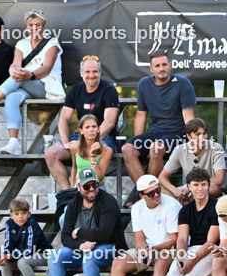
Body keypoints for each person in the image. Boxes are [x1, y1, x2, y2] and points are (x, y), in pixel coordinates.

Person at [0, 9, 63, 155]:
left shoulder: (52, 43)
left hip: (45, 86)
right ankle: (13, 143)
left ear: (43, 26)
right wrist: (14, 71)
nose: (34, 28)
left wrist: (28, 74)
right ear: (27, 27)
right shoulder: (21, 44)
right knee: (11, 97)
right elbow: (15, 64)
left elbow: (46, 69)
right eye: (31, 25)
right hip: (24, 83)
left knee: (20, 78)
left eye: (38, 25)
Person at [138, 170, 220, 276]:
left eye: (203, 185)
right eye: (195, 185)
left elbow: (211, 241)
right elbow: (182, 238)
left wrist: (192, 261)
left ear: (208, 186)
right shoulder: (185, 210)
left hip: (213, 250)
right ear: (189, 186)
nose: (199, 189)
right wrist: (181, 256)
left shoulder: (216, 206)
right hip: (193, 249)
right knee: (174, 272)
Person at [108, 175, 179, 276]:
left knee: (160, 263)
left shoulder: (172, 205)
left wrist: (152, 249)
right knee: (118, 263)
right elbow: (139, 237)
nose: (156, 194)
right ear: (141, 195)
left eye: (158, 190)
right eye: (151, 193)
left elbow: (175, 240)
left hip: (172, 249)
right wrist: (143, 251)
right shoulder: (137, 208)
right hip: (151, 248)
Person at [49, 167, 126, 276]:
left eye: (94, 184)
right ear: (78, 187)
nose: (91, 189)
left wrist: (79, 232)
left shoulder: (108, 202)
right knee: (55, 257)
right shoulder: (73, 204)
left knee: (91, 258)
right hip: (82, 249)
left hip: (110, 248)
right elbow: (65, 237)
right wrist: (80, 245)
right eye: (86, 186)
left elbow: (104, 233)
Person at [45, 56, 121, 190]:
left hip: (105, 137)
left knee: (91, 154)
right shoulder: (75, 90)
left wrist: (88, 142)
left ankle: (94, 191)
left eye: (95, 71)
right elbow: (63, 118)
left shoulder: (109, 90)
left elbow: (109, 122)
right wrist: (65, 142)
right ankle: (68, 192)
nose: (91, 75)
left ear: (100, 72)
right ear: (81, 73)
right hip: (82, 135)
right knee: (51, 154)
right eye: (87, 72)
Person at [122, 51, 196, 187]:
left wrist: (194, 142)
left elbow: (189, 116)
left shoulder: (182, 83)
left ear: (170, 66)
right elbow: (140, 116)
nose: (161, 68)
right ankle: (146, 192)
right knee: (127, 149)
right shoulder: (144, 84)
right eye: (157, 66)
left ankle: (148, 193)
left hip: (178, 135)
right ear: (151, 69)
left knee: (156, 148)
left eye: (164, 65)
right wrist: (139, 145)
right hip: (155, 134)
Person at [0, 198, 51, 276]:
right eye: (17, 214)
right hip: (25, 255)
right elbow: (8, 244)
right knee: (4, 263)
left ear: (29, 214)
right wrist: (5, 254)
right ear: (11, 215)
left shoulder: (32, 224)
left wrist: (12, 255)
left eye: (23, 213)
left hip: (43, 254)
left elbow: (29, 249)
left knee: (22, 262)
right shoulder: (9, 224)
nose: (20, 217)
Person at [158, 118, 226, 202]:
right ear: (188, 136)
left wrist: (191, 187)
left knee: (213, 188)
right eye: (198, 134)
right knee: (158, 189)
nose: (202, 138)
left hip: (205, 187)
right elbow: (161, 177)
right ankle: (184, 203)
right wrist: (175, 191)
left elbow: (219, 179)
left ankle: (186, 203)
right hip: (188, 188)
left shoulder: (216, 148)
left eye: (204, 134)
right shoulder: (180, 149)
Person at [65, 114, 114, 187]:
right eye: (87, 127)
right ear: (81, 131)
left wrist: (93, 156)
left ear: (98, 129)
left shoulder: (107, 150)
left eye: (94, 126)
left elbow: (98, 178)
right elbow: (74, 168)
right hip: (80, 188)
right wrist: (72, 190)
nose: (91, 130)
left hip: (97, 188)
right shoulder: (74, 147)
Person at [208, 199, 227, 276]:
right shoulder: (222, 213)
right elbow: (224, 240)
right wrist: (220, 250)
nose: (225, 221)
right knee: (217, 261)